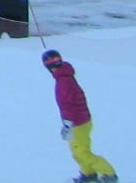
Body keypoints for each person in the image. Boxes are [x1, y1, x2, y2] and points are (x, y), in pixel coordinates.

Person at [44, 48, 115, 180]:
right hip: (81, 121)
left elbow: (68, 105)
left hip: (78, 123)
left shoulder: (63, 82)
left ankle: (109, 173)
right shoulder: (66, 77)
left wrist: (67, 124)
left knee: (81, 152)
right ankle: (88, 173)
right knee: (78, 151)